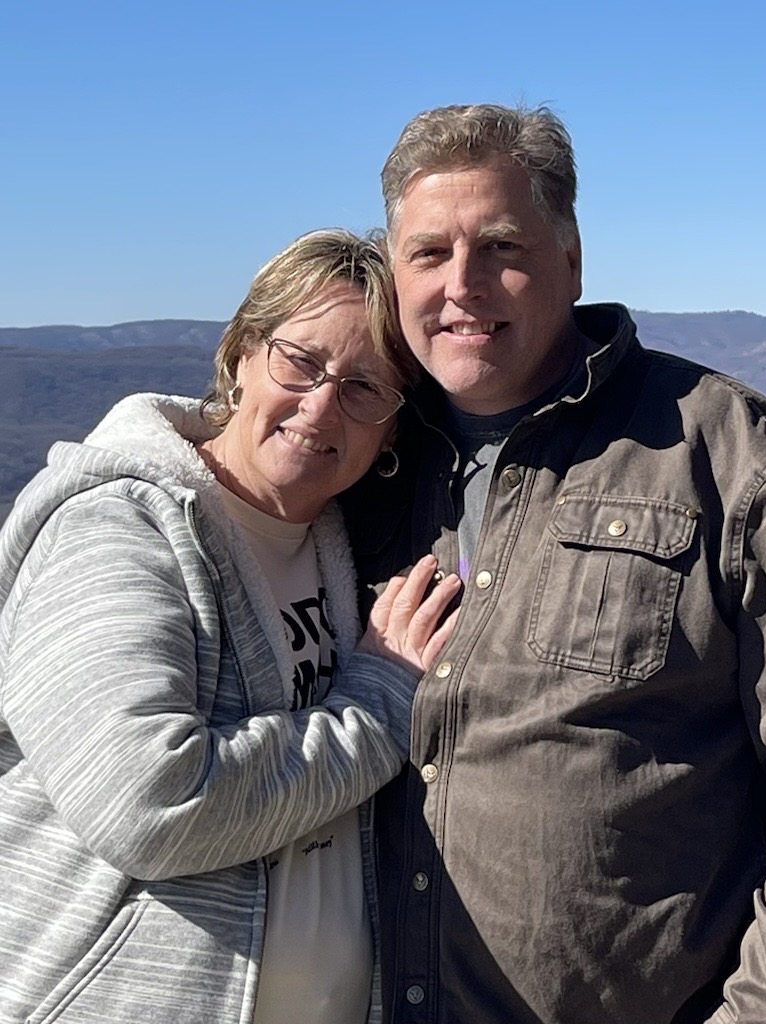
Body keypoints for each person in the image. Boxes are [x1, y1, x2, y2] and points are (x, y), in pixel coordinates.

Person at [340, 104, 766, 1024]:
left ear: (571, 259)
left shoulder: (724, 455)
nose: (463, 285)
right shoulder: (359, 456)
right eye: (428, 253)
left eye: (501, 247)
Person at [0, 228, 460, 1024]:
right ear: (242, 354)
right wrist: (382, 703)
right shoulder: (118, 528)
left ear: (391, 427)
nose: (321, 405)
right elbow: (149, 807)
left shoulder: (338, 549)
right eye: (300, 361)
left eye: (365, 387)